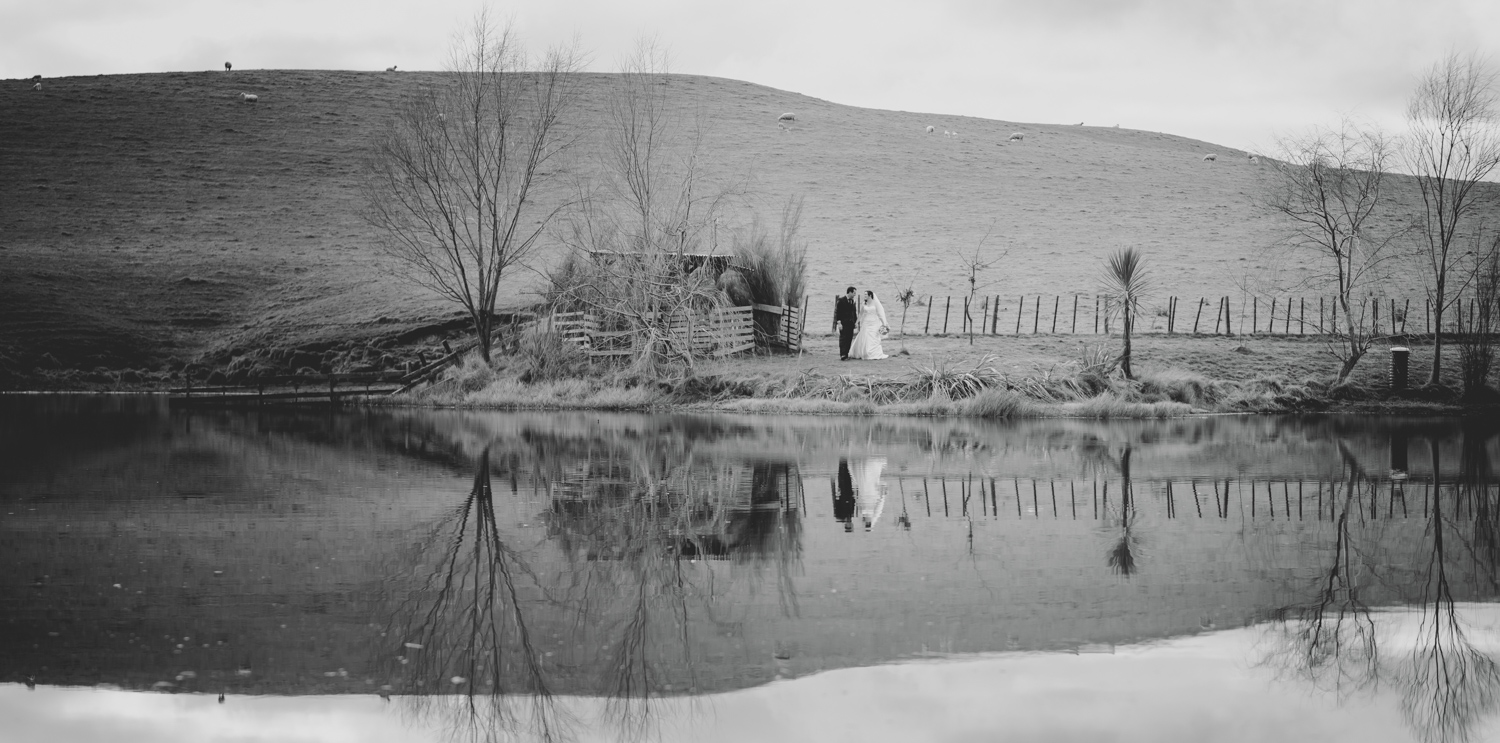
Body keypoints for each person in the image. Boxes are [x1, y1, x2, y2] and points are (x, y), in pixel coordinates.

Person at [848, 290, 890, 360]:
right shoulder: (864, 303)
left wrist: (884, 324)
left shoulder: (875, 303)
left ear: (870, 295)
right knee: (865, 337)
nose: (864, 296)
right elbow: (861, 314)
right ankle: (864, 352)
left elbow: (880, 314)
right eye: (864, 295)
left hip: (874, 323)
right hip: (866, 323)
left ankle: (873, 353)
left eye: (866, 295)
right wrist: (856, 322)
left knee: (873, 338)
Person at [833, 287, 859, 360]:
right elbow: (838, 313)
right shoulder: (841, 300)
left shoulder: (853, 301)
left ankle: (846, 353)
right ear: (850, 292)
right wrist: (839, 323)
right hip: (843, 323)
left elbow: (854, 312)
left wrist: (855, 322)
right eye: (854, 293)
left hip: (851, 323)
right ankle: (843, 354)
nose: (855, 294)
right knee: (843, 339)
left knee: (849, 339)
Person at [834, 458, 856, 532]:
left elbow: (836, 503)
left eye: (848, 525)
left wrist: (837, 494)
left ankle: (842, 460)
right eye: (850, 525)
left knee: (842, 475)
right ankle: (844, 460)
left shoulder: (840, 515)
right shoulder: (851, 514)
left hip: (842, 493)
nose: (849, 523)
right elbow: (853, 502)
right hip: (848, 492)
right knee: (847, 476)